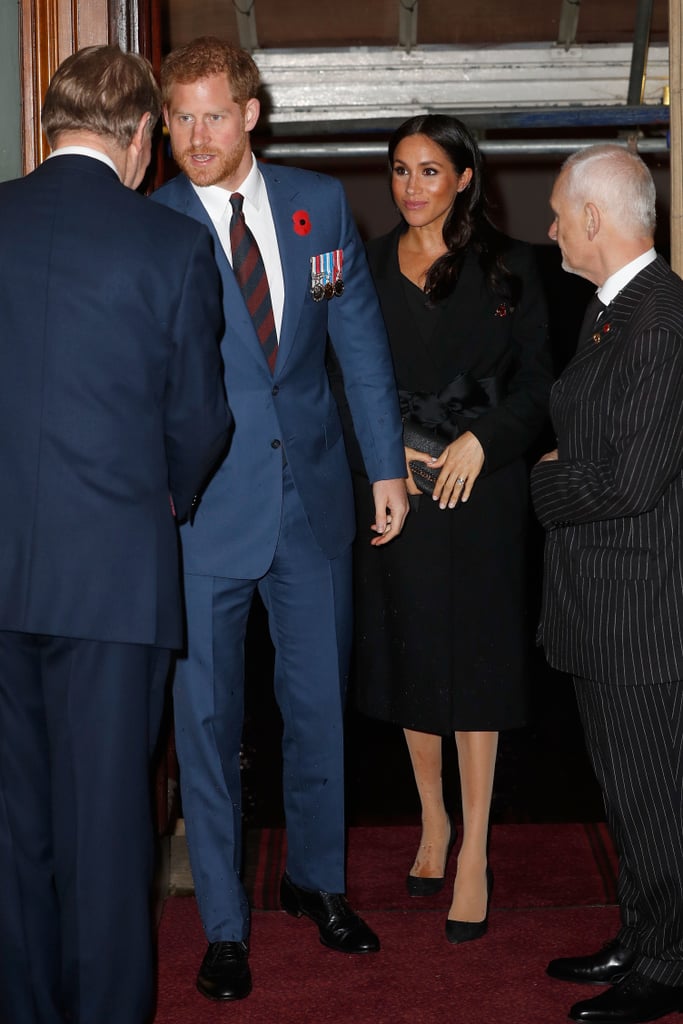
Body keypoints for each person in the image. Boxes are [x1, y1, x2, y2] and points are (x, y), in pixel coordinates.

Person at [153, 36, 409, 1002]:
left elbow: (359, 343)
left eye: (213, 114)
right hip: (202, 517)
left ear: (251, 113)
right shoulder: (158, 222)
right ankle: (224, 923)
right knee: (208, 723)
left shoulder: (319, 206)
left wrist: (382, 467)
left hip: (312, 506)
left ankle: (318, 882)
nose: (195, 136)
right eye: (179, 118)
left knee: (315, 711)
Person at [0, 44, 230, 1024]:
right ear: (140, 136)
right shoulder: (170, 248)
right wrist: (162, 502)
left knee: (13, 832)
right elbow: (199, 423)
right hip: (114, 584)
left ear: (52, 127)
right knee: (104, 836)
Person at [339, 114, 552, 944]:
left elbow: (539, 385)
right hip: (395, 488)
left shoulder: (513, 267)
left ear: (465, 177)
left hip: (479, 488)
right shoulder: (363, 266)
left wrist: (483, 440)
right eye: (399, 170)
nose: (411, 187)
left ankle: (474, 853)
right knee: (410, 657)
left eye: (429, 170)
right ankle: (431, 821)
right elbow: (340, 371)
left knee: (478, 667)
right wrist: (382, 451)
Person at [532, 144, 683, 1024]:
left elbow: (629, 480)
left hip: (642, 609)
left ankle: (666, 963)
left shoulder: (658, 320)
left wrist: (544, 481)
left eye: (557, 213)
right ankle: (642, 932)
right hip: (607, 599)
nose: (549, 227)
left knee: (655, 797)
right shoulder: (613, 311)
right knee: (627, 790)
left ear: (594, 217)